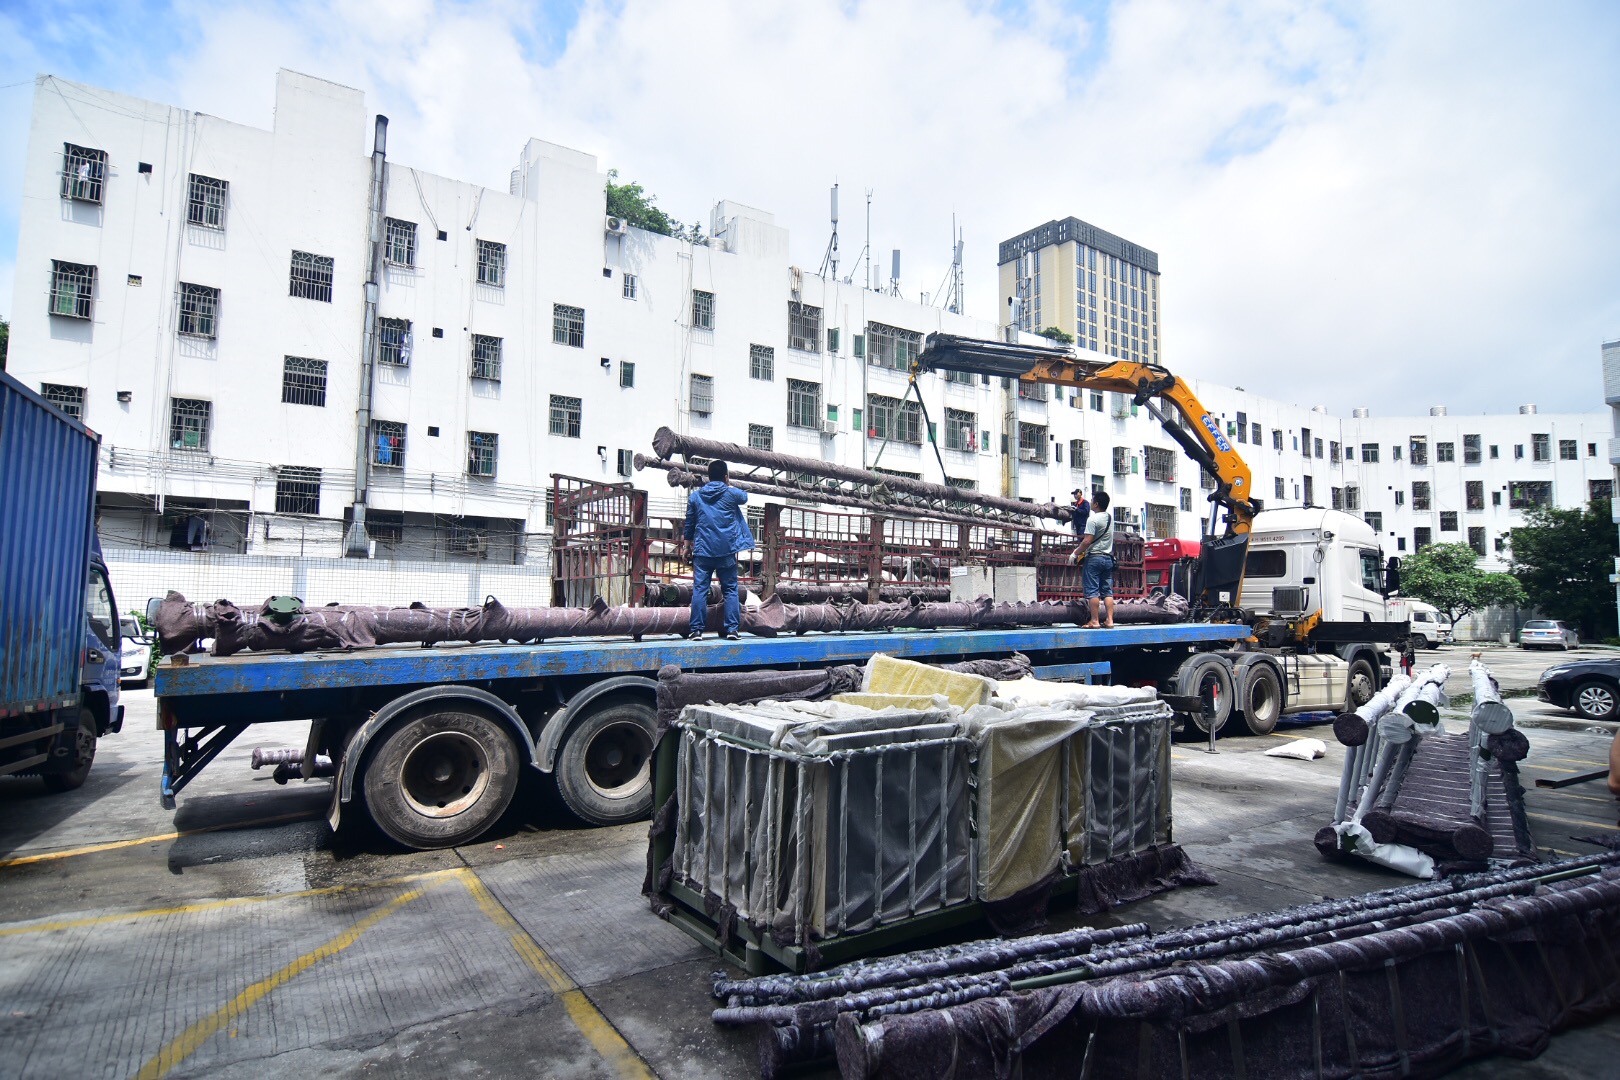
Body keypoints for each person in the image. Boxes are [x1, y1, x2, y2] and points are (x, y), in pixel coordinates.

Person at [682, 459, 754, 640]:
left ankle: (696, 630)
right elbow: (744, 496)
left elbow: (689, 524)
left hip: (702, 551)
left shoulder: (696, 497)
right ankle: (732, 630)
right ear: (725, 477)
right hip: (726, 551)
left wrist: (686, 547)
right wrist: (728, 485)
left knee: (700, 589)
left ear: (708, 477)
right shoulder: (730, 494)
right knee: (730, 589)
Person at [1071, 490, 1115, 628]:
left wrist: (1075, 553)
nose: (1090, 502)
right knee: (1107, 591)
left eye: (1092, 500)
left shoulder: (1093, 519)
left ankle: (1094, 621)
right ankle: (1109, 620)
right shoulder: (1109, 518)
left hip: (1094, 558)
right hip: (1108, 558)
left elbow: (1087, 541)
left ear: (1096, 504)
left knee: (1092, 591)